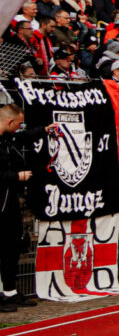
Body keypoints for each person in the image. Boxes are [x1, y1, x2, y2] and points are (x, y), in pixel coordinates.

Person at [1, 101, 50, 312]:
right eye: (18, 123)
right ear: (10, 121)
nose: (19, 127)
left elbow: (23, 136)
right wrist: (16, 176)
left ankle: (10, 292)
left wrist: (44, 130)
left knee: (13, 245)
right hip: (2, 200)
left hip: (9, 199)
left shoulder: (8, 137)